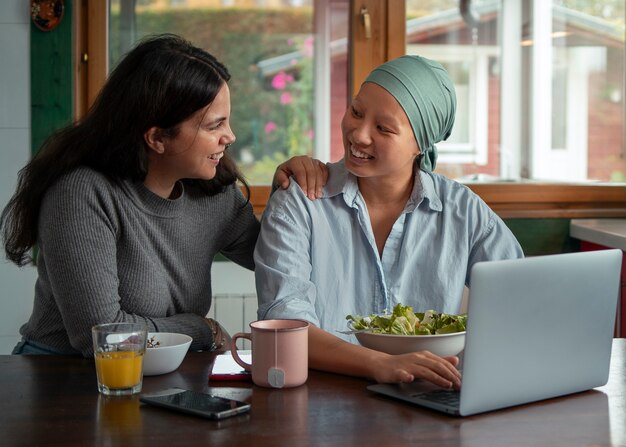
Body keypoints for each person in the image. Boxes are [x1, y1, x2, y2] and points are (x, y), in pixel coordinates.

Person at [1, 34, 326, 357]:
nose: (230, 136)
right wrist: (202, 329)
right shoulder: (82, 194)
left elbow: (280, 257)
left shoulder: (212, 190)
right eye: (215, 126)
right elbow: (102, 338)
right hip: (61, 378)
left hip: (165, 372)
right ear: (157, 138)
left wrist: (286, 194)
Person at [255, 55, 524, 390]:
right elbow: (286, 328)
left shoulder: (464, 211)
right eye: (356, 111)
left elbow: (520, 306)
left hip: (429, 403)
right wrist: (382, 365)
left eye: (383, 128)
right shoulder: (299, 200)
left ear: (420, 145)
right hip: (324, 402)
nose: (359, 134)